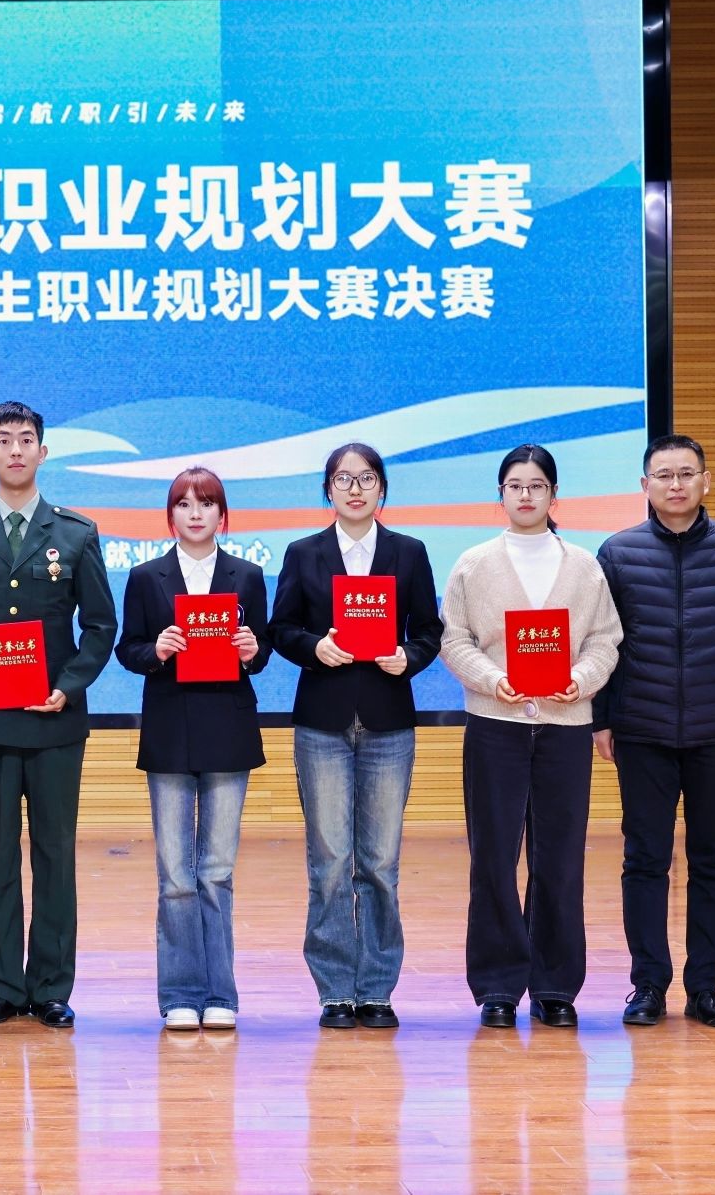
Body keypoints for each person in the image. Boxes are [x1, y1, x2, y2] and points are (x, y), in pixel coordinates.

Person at [0, 401, 117, 1030]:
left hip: (54, 717)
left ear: (42, 451)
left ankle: (52, 987)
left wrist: (68, 687)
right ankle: (2, 985)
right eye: (3, 440)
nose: (15, 449)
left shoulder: (76, 533)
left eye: (26, 439)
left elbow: (100, 625)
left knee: (55, 855)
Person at [594, 433, 715, 1029]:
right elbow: (599, 642)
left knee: (713, 859)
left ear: (706, 481)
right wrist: (601, 719)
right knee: (644, 860)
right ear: (644, 485)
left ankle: (706, 988)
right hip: (642, 728)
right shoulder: (617, 553)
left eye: (686, 473)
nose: (675, 484)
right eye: (663, 474)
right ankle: (648, 984)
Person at [439, 445, 623, 1029]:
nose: (525, 494)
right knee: (493, 857)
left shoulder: (584, 566)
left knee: (560, 858)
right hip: (495, 725)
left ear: (553, 495)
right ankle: (497, 986)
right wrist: (492, 680)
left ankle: (555, 985)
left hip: (566, 727)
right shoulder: (473, 564)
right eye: (515, 485)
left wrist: (581, 680)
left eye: (536, 485)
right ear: (500, 494)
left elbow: (605, 639)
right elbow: (454, 640)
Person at [270, 441, 443, 1030]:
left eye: (366, 478)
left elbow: (429, 630)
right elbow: (281, 628)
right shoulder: (304, 553)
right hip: (322, 722)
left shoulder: (409, 552)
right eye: (343, 479)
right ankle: (334, 990)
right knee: (329, 861)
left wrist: (408, 657)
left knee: (380, 863)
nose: (355, 488)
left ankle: (376, 989)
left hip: (388, 722)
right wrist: (313, 647)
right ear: (328, 490)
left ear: (382, 488)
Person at [112, 466, 269, 1032]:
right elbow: (127, 649)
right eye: (184, 503)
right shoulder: (146, 577)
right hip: (170, 731)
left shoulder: (247, 575)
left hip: (228, 730)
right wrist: (156, 649)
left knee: (217, 872)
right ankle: (180, 993)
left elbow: (263, 652)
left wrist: (252, 649)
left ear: (222, 515)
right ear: (171, 515)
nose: (195, 513)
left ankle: (221, 993)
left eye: (206, 503)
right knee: (176, 875)